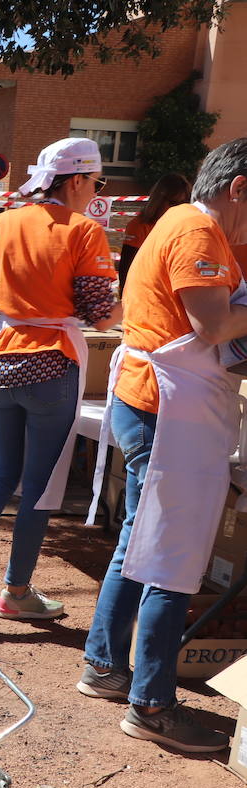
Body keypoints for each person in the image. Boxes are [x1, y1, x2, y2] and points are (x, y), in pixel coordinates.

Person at [79, 138, 247, 753]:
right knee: (172, 555)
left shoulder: (182, 223)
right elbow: (213, 324)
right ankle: (151, 703)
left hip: (151, 398)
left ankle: (103, 664)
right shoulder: (198, 232)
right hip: (165, 408)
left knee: (141, 538)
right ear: (240, 188)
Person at [0, 137, 121, 619]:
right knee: (38, 485)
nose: (94, 190)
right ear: (76, 180)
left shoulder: (4, 221)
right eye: (95, 182)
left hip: (1, 360)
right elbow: (101, 316)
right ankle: (15, 592)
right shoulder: (84, 230)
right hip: (53, 363)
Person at [118, 174, 192, 289]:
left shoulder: (186, 229)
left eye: (184, 203)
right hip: (144, 294)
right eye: (174, 203)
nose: (179, 208)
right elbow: (126, 270)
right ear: (159, 200)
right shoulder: (139, 226)